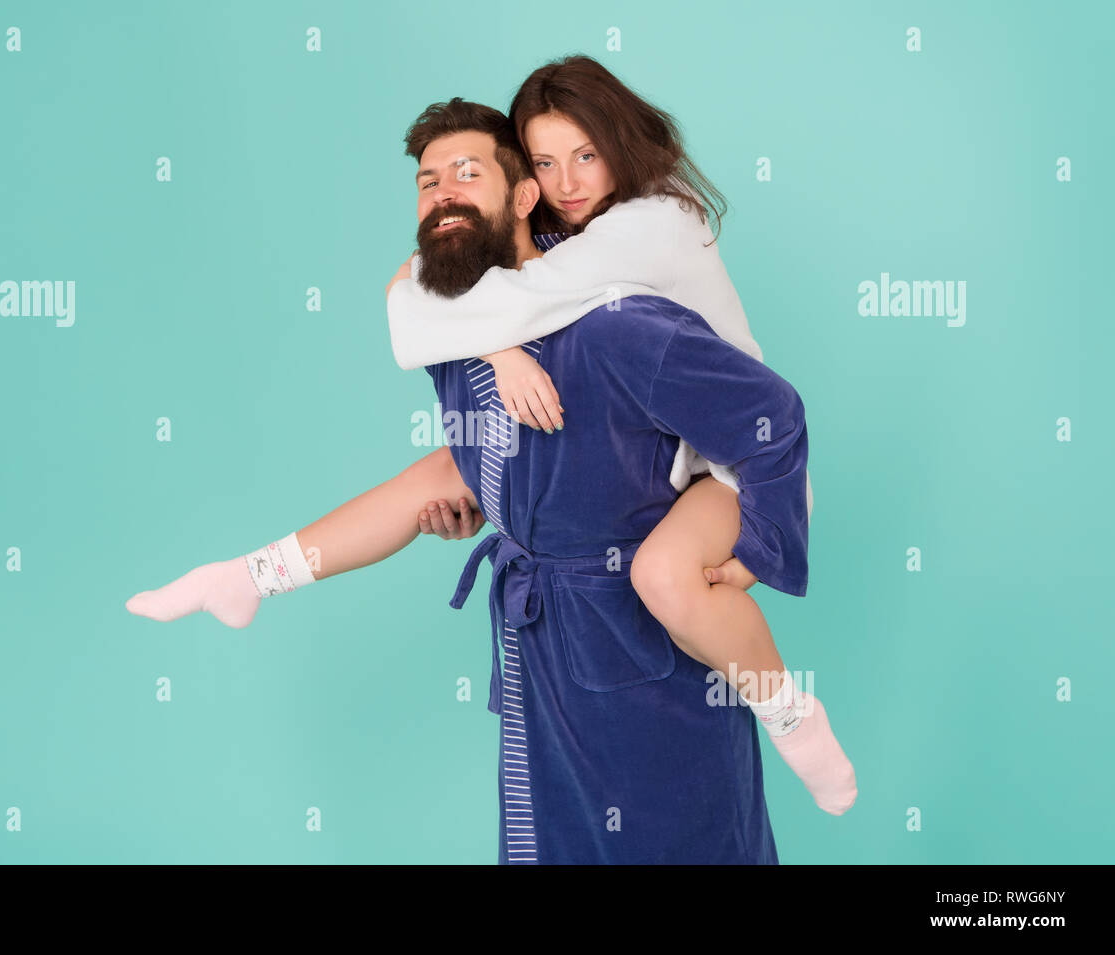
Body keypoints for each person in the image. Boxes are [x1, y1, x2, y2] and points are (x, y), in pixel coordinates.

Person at [130, 97, 809, 863]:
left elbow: (766, 413)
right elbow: (481, 451)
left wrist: (767, 531)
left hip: (640, 652)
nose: (444, 191)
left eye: (467, 172)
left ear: (523, 197)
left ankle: (793, 714)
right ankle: (251, 574)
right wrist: (495, 394)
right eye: (427, 181)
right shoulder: (454, 329)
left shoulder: (620, 321)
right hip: (544, 657)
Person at [386, 56, 855, 816]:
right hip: (671, 470)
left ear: (620, 144)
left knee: (664, 576)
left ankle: (791, 713)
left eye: (586, 155)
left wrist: (758, 549)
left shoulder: (652, 225)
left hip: (738, 469)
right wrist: (500, 358)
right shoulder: (566, 228)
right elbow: (432, 284)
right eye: (544, 162)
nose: (568, 182)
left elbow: (453, 303)